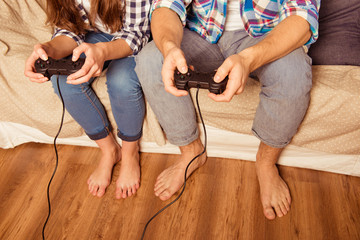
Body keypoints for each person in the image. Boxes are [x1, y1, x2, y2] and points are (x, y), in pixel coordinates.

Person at [135, 0, 320, 220]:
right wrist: (169, 47)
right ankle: (190, 151)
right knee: (150, 59)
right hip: (201, 34)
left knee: (293, 74)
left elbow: (302, 19)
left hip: (265, 36)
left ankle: (266, 162)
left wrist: (248, 59)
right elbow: (165, 6)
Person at [24, 0, 151, 199]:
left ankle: (129, 153)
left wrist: (102, 51)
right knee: (64, 81)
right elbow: (70, 30)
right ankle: (109, 150)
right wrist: (49, 49)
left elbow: (137, 35)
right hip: (97, 32)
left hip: (136, 35)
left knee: (122, 83)